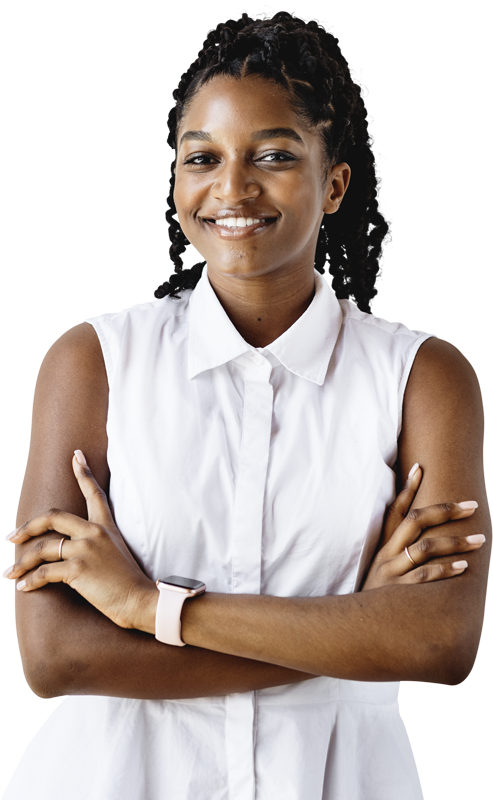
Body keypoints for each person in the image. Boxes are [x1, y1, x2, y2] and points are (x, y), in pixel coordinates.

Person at [3, 11, 491, 800]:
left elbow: (438, 642)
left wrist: (142, 606)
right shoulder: (94, 363)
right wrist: (355, 624)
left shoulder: (419, 378)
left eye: (273, 155)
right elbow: (58, 656)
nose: (231, 188)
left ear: (334, 183)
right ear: (175, 180)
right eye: (202, 157)